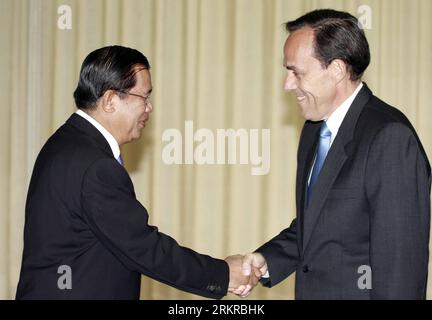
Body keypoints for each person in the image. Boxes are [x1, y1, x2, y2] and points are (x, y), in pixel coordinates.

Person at [16, 45, 258, 299]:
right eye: (144, 97)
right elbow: (143, 248)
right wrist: (223, 274)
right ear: (110, 100)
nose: (149, 108)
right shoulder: (95, 165)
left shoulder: (66, 143)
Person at [229, 9, 431, 299]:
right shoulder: (314, 130)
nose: (287, 84)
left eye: (296, 72)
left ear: (336, 69)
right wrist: (266, 260)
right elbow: (318, 227)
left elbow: (401, 268)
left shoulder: (389, 138)